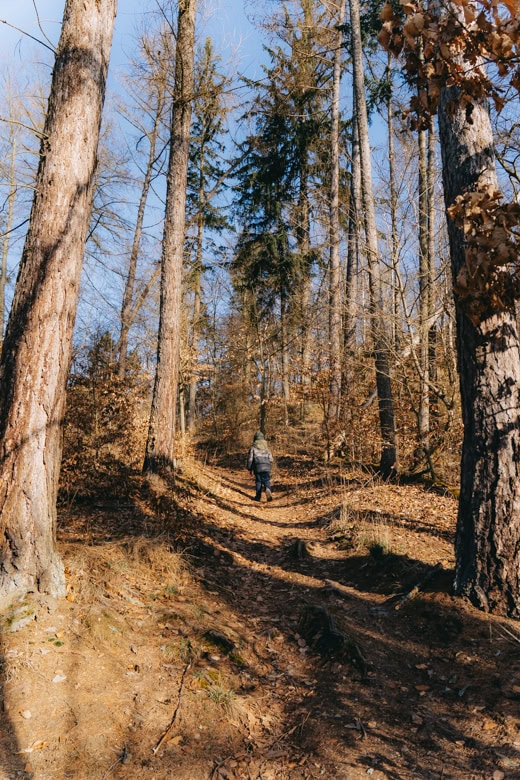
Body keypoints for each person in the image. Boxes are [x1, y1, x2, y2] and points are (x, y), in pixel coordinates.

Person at [247, 430, 273, 501]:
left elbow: (250, 459)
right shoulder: (267, 449)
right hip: (267, 467)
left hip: (258, 467)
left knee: (258, 481)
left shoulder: (253, 448)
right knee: (267, 480)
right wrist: (269, 466)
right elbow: (271, 459)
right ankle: (268, 489)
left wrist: (249, 468)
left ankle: (258, 497)